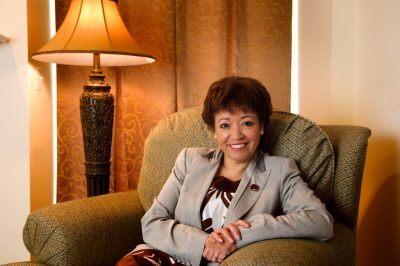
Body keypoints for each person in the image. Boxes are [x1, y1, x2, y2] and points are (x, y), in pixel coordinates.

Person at [116, 76, 333, 266]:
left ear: (262, 127)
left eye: (247, 123)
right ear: (213, 130)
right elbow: (152, 222)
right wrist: (204, 243)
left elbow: (320, 221)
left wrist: (246, 233)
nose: (236, 135)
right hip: (161, 257)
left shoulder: (280, 170)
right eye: (225, 125)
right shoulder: (190, 160)